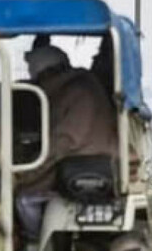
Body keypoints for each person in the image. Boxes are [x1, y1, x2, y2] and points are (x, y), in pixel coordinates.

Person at [15, 45, 118, 195]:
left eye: (32, 71)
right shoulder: (75, 88)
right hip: (85, 160)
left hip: (83, 165)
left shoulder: (77, 93)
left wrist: (24, 175)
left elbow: (63, 143)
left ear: (44, 72)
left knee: (23, 196)